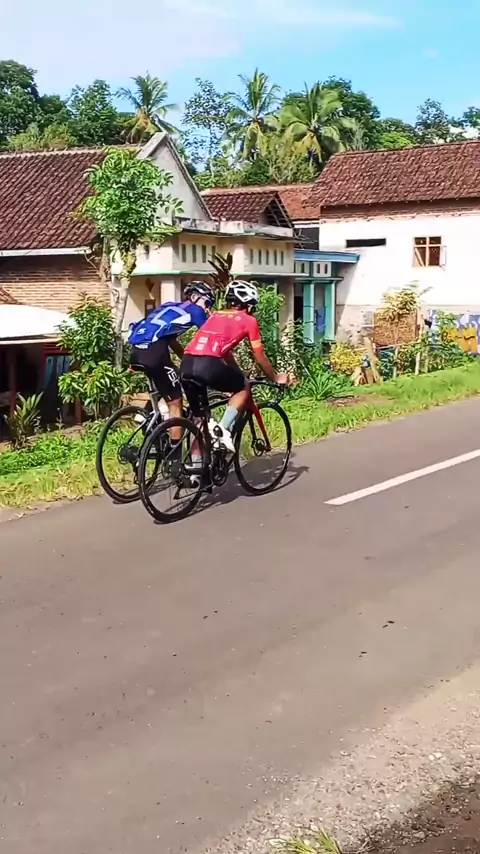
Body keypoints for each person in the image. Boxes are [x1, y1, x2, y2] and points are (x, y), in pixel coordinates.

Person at [181, 280, 287, 453]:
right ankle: (222, 429)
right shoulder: (249, 320)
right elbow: (259, 355)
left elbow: (224, 352)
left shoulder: (214, 315)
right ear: (249, 305)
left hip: (186, 363)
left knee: (201, 422)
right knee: (243, 387)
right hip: (208, 364)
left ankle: (195, 468)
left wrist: (237, 371)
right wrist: (275, 377)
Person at [127, 280, 215, 460]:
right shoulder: (195, 310)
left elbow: (171, 340)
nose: (207, 309)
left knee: (165, 382)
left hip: (136, 351)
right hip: (154, 352)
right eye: (207, 303)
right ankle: (174, 459)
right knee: (175, 403)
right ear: (195, 297)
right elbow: (210, 338)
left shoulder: (169, 307)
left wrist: (184, 360)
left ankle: (147, 415)